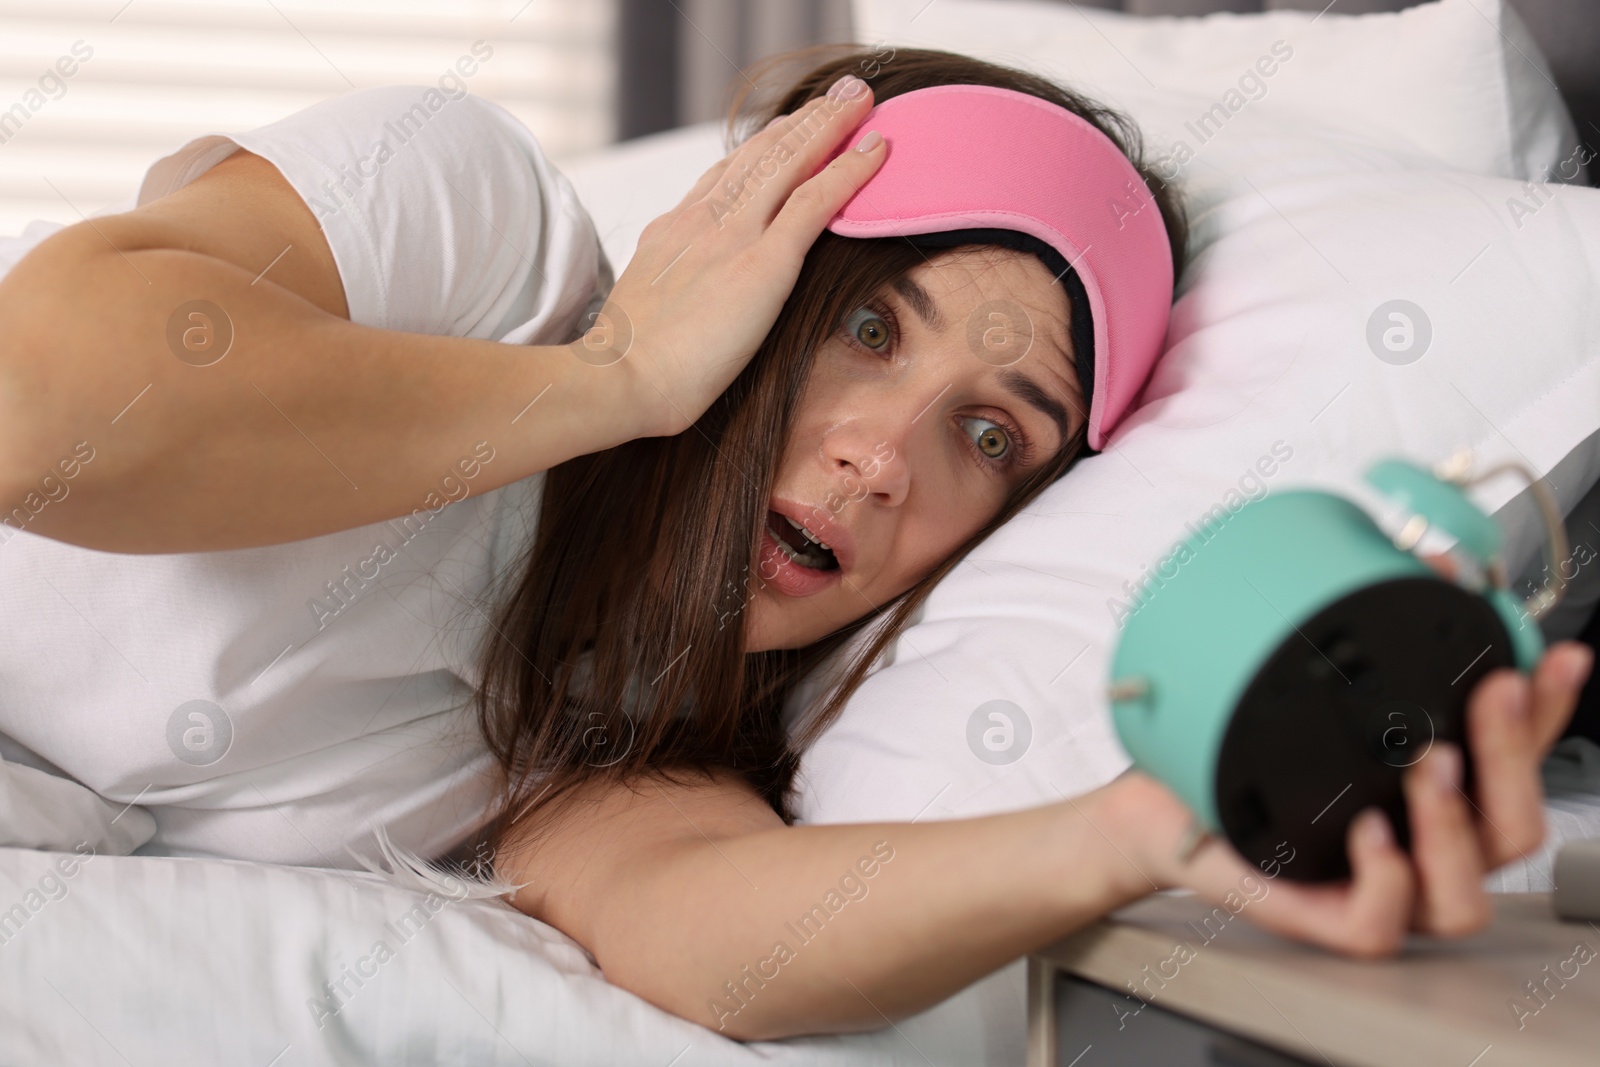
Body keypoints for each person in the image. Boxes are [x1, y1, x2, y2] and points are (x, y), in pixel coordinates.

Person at [0, 45, 1590, 1042]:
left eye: (993, 433)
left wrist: (1152, 832)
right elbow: (41, 410)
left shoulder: (600, 755)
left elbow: (736, 944)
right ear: (745, 258)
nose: (888, 456)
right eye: (872, 324)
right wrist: (610, 385)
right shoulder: (469, 230)